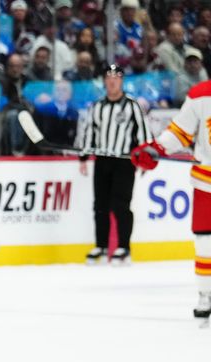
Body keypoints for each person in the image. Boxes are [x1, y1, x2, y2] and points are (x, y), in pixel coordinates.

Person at [131, 80, 211, 323]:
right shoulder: (201, 94)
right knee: (205, 242)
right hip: (208, 183)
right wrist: (156, 149)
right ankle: (206, 294)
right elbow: (179, 132)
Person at [76, 64, 151, 265]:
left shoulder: (132, 106)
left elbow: (143, 134)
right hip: (102, 160)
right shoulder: (97, 106)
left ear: (122, 81)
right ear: (104, 81)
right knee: (100, 205)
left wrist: (145, 159)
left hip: (124, 162)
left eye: (116, 77)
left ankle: (124, 247)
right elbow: (88, 132)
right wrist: (83, 157)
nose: (112, 81)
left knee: (121, 205)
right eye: (108, 77)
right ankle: (100, 245)